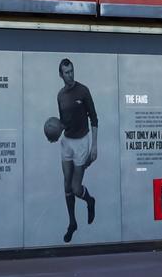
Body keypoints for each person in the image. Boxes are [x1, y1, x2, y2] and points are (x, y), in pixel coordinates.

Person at [54, 59, 99, 242]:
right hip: (67, 141)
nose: (70, 75)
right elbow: (63, 121)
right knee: (66, 184)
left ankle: (90, 200)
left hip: (82, 141)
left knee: (75, 187)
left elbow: (94, 119)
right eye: (66, 72)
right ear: (61, 75)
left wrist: (94, 146)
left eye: (72, 71)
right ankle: (72, 222)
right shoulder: (60, 95)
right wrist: (55, 133)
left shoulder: (83, 90)